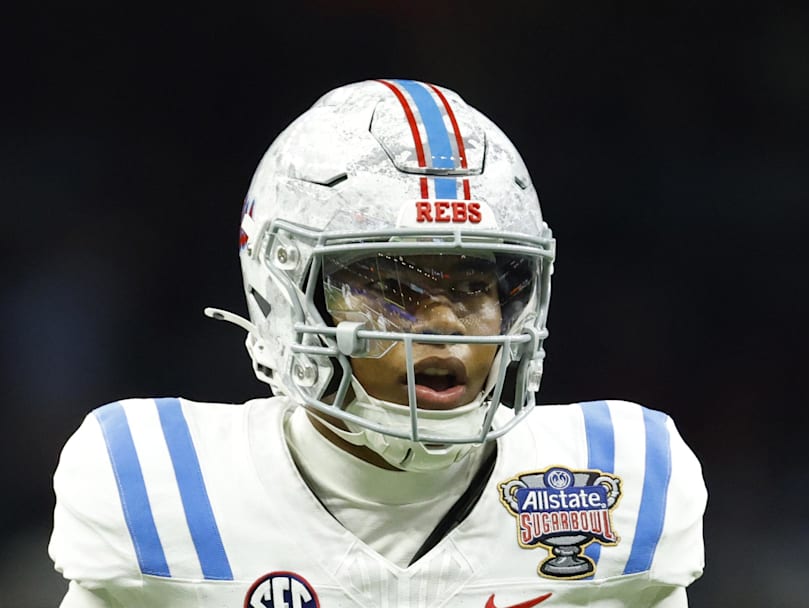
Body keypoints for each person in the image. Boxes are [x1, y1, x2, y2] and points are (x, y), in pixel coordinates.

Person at [49, 79, 707, 607]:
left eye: (476, 284)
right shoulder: (163, 485)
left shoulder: (613, 477)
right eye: (395, 285)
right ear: (286, 291)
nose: (446, 322)